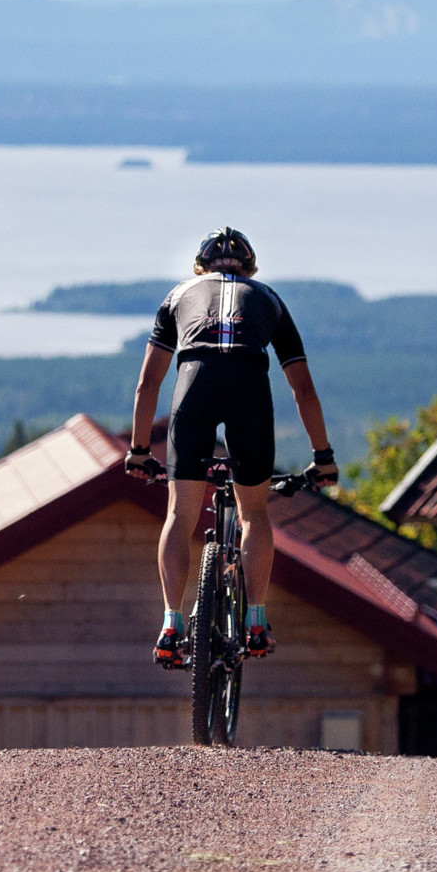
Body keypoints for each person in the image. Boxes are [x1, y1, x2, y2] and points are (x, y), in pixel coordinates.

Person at [123, 227, 338, 669]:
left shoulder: (178, 294)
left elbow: (148, 384)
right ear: (250, 267)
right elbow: (303, 388)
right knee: (253, 512)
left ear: (200, 267)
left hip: (194, 384)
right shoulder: (269, 299)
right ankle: (256, 619)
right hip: (249, 390)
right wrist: (323, 458)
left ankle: (170, 623)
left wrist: (139, 449)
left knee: (180, 516)